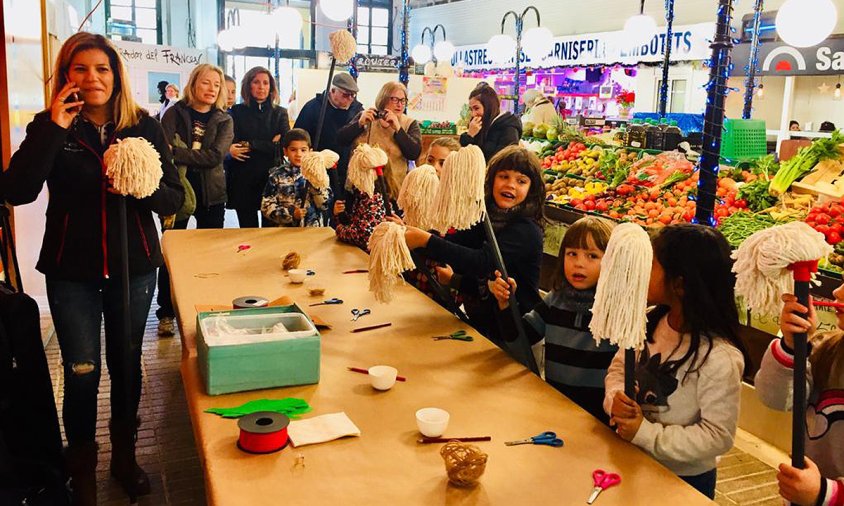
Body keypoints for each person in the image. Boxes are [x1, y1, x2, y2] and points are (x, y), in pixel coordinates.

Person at [1, 32, 183, 505]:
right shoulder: (50, 125)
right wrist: (55, 128)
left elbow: (175, 199)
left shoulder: (143, 125)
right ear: (66, 76)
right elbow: (17, 190)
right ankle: (80, 465)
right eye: (80, 69)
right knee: (82, 371)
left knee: (127, 365)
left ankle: (125, 458)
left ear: (115, 74)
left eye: (101, 69)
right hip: (70, 270)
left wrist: (136, 185)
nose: (92, 78)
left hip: (134, 265)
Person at [604, 225, 747, 499]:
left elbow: (718, 436)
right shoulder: (649, 321)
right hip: (630, 457)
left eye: (651, 264)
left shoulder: (719, 357)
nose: (641, 272)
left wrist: (645, 433)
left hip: (683, 480)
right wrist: (615, 397)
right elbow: (619, 368)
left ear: (679, 284)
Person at [398, 145, 544, 342]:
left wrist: (426, 240)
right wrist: (415, 236)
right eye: (503, 176)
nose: (511, 185)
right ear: (491, 179)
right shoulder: (484, 218)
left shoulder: (525, 230)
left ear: (531, 189)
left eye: (521, 181)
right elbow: (455, 244)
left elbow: (481, 262)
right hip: (484, 324)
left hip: (517, 330)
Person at [490, 217, 617, 424]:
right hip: (555, 407)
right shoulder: (556, 299)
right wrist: (505, 303)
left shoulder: (616, 312)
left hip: (599, 421)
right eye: (571, 253)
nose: (578, 263)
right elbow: (520, 338)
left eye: (592, 256)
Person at [157, 63, 233, 336]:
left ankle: (207, 308)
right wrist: (174, 152)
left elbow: (215, 156)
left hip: (212, 194)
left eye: (217, 84)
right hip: (176, 191)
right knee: (171, 256)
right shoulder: (174, 113)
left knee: (209, 258)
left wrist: (178, 152)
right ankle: (165, 312)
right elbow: (162, 151)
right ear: (193, 83)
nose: (212, 89)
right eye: (206, 82)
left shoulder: (224, 119)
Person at [755, 287, 844, 506]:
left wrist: (825, 494)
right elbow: (776, 398)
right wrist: (792, 346)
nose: (837, 292)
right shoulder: (825, 349)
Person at [337, 81, 421, 201]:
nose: (400, 105)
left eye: (403, 101)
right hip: (362, 190)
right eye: (395, 99)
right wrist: (359, 124)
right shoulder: (367, 116)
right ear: (384, 98)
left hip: (393, 191)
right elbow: (341, 140)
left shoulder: (409, 123)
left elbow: (414, 153)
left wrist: (398, 129)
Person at [228, 66, 290, 227]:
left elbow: (284, 144)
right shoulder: (237, 111)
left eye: (265, 83)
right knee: (248, 229)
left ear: (271, 87)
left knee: (270, 230)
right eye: (256, 82)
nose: (261, 87)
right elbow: (236, 143)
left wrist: (252, 144)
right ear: (248, 85)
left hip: (270, 177)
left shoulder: (280, 113)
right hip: (244, 177)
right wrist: (270, 143)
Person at [294, 72, 364, 201]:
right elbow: (299, 138)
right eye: (345, 95)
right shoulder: (313, 108)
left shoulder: (357, 110)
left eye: (353, 95)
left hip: (347, 170)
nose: (350, 99)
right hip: (320, 170)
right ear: (332, 91)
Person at [261, 128, 330, 227]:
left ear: (310, 151)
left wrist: (316, 186)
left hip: (311, 231)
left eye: (303, 150)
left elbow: (324, 205)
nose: (298, 154)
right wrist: (290, 213)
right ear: (285, 151)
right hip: (284, 233)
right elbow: (266, 206)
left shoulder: (318, 173)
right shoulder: (276, 175)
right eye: (293, 150)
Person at [460, 82, 522, 162]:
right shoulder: (482, 126)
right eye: (471, 109)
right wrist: (470, 135)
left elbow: (502, 161)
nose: (473, 114)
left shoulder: (509, 129)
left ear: (489, 106)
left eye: (476, 108)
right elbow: (466, 156)